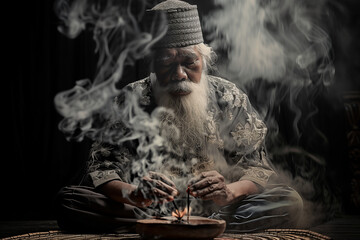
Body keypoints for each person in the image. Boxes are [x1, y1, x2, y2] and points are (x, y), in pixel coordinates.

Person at [55, 0, 303, 234]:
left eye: (189, 62)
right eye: (166, 63)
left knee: (288, 201)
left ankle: (191, 225)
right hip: (146, 208)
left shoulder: (229, 96)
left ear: (204, 61)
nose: (180, 74)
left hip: (219, 208)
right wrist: (136, 193)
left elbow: (256, 167)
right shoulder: (130, 98)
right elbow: (103, 169)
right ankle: (187, 227)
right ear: (152, 64)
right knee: (70, 201)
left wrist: (228, 192)